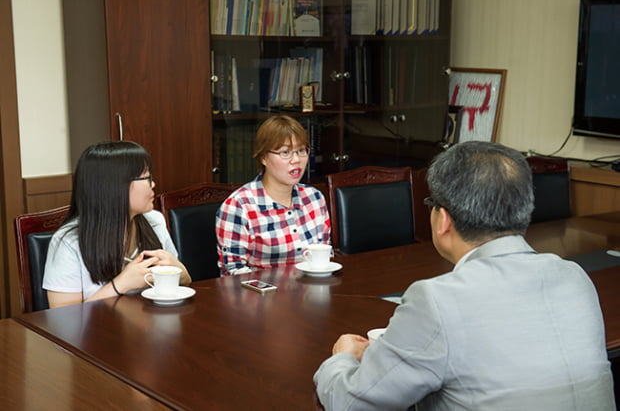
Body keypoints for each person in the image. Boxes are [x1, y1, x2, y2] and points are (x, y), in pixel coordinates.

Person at [314, 141, 615, 410]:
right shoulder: (574, 277)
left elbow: (351, 403)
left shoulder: (436, 300)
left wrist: (342, 357)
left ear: (443, 220)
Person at [43, 141, 191, 308]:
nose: (153, 184)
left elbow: (185, 282)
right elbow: (63, 318)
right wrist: (121, 284)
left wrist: (178, 270)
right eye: (147, 177)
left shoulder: (154, 221)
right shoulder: (69, 242)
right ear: (115, 187)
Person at [215, 115, 331, 275]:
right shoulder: (239, 206)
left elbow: (325, 255)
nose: (296, 160)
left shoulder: (314, 198)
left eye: (301, 150)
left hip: (314, 292)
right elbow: (233, 272)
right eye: (285, 152)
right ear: (263, 157)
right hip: (262, 297)